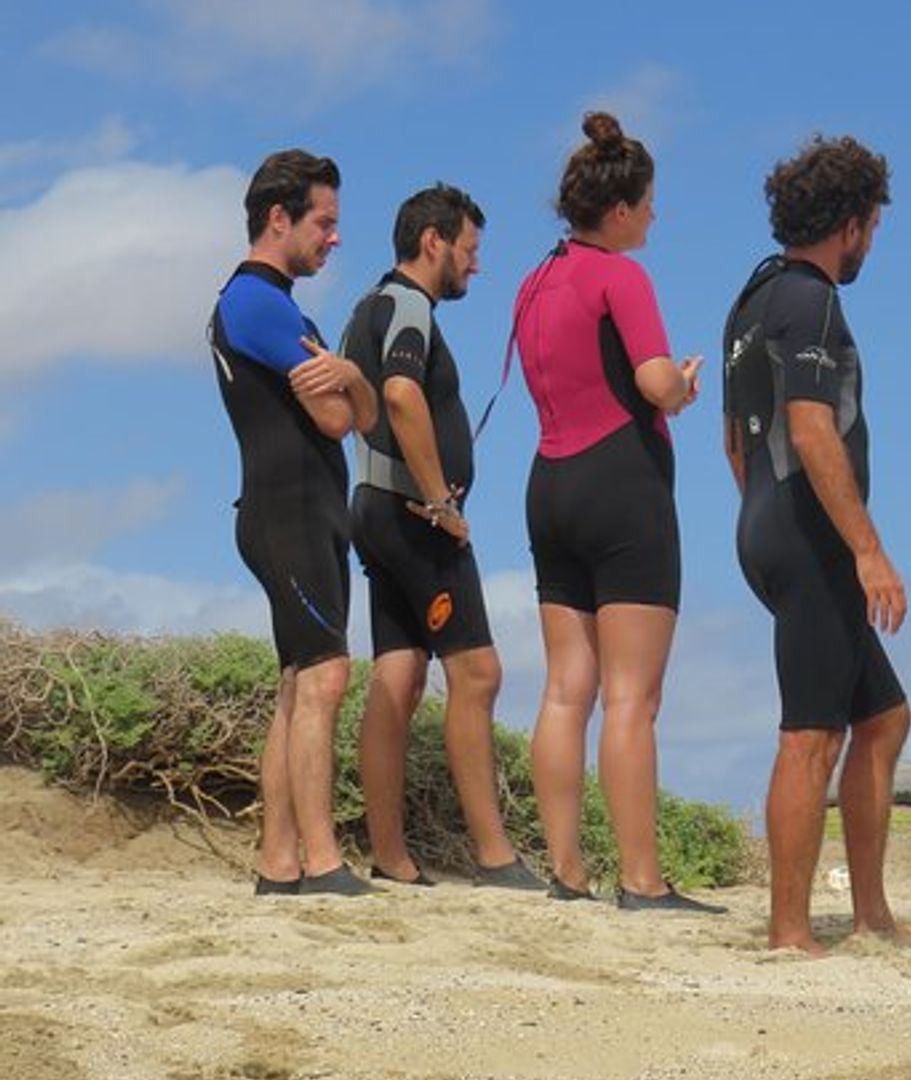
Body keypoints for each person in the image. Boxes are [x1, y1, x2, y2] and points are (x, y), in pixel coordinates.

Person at [512, 112, 719, 912]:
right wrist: (686, 385)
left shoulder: (535, 281)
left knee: (567, 689)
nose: (657, 217)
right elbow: (654, 381)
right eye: (652, 203)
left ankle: (567, 873)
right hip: (621, 485)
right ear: (623, 208)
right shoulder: (620, 276)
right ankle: (642, 881)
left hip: (548, 482)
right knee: (634, 696)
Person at [723, 135, 911, 953]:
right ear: (849, 223)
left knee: (885, 719)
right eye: (872, 224)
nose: (872, 241)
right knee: (810, 736)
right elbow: (810, 428)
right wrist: (865, 548)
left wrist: (767, 520)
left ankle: (871, 916)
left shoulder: (751, 300)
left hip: (770, 525)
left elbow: (734, 440)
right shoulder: (812, 300)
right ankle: (789, 932)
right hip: (809, 536)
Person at [341, 183, 543, 891]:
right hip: (411, 513)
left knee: (398, 674)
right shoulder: (405, 306)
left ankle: (391, 856)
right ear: (435, 242)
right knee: (478, 672)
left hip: (372, 502)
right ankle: (493, 856)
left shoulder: (367, 305)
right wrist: (437, 499)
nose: (476, 266)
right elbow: (399, 393)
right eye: (471, 248)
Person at [209, 149, 379, 896]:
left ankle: (279, 861)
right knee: (325, 676)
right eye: (325, 221)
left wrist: (355, 377)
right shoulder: (256, 303)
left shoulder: (289, 309)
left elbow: (356, 408)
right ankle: (322, 860)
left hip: (302, 513)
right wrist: (349, 385)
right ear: (279, 218)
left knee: (298, 682)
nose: (335, 238)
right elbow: (340, 418)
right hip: (288, 513)